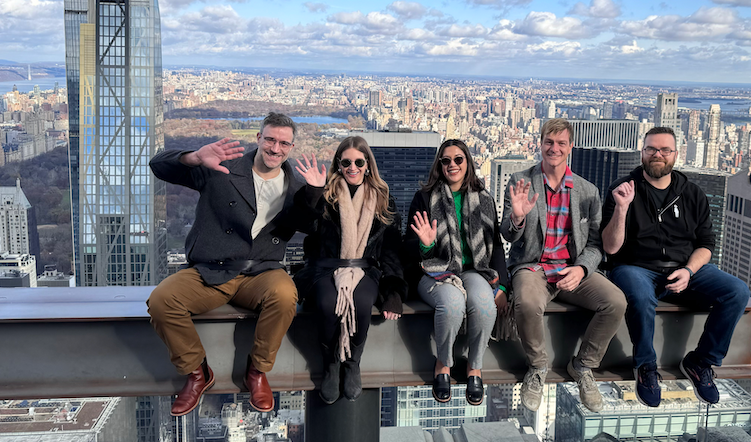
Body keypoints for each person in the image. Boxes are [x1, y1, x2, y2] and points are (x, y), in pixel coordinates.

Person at [147, 112, 320, 416]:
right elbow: (159, 166)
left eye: (283, 143)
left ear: (291, 148)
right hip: (211, 268)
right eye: (270, 139)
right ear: (258, 138)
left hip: (262, 271)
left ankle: (257, 371)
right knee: (162, 301)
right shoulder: (222, 167)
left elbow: (311, 226)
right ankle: (197, 372)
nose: (275, 148)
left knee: (284, 295)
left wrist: (315, 193)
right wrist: (193, 157)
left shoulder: (296, 188)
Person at [600, 126, 751, 407]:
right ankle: (646, 366)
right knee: (639, 294)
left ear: (675, 155)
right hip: (635, 267)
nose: (657, 155)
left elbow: (706, 244)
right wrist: (622, 208)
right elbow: (610, 248)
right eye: (651, 149)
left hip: (684, 268)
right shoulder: (622, 189)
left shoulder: (692, 194)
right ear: (642, 153)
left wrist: (689, 271)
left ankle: (701, 361)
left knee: (737, 291)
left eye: (664, 150)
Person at [501, 118, 627, 413]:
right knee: (527, 303)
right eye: (548, 142)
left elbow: (595, 245)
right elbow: (507, 234)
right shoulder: (521, 181)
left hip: (572, 268)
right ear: (540, 144)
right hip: (532, 266)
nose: (554, 148)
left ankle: (583, 366)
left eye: (560, 143)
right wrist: (517, 217)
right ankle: (537, 367)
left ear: (570, 147)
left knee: (616, 302)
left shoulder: (587, 191)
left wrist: (581, 269)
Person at [293, 136, 406, 404]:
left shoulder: (383, 200)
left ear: (368, 165)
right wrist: (313, 192)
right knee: (327, 302)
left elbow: (391, 249)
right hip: (324, 268)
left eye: (358, 162)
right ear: (339, 164)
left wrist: (393, 292)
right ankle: (331, 363)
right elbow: (302, 225)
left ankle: (353, 362)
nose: (352, 167)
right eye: (346, 162)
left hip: (366, 269)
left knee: (363, 302)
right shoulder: (326, 194)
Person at [404, 139, 507, 406]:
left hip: (473, 271)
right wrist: (426, 245)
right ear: (439, 165)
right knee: (452, 304)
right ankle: (443, 363)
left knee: (485, 305)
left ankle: (475, 366)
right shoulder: (424, 198)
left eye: (458, 159)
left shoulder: (484, 198)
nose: (452, 165)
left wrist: (502, 287)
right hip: (433, 271)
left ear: (467, 162)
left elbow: (495, 245)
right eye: (446, 160)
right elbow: (408, 248)